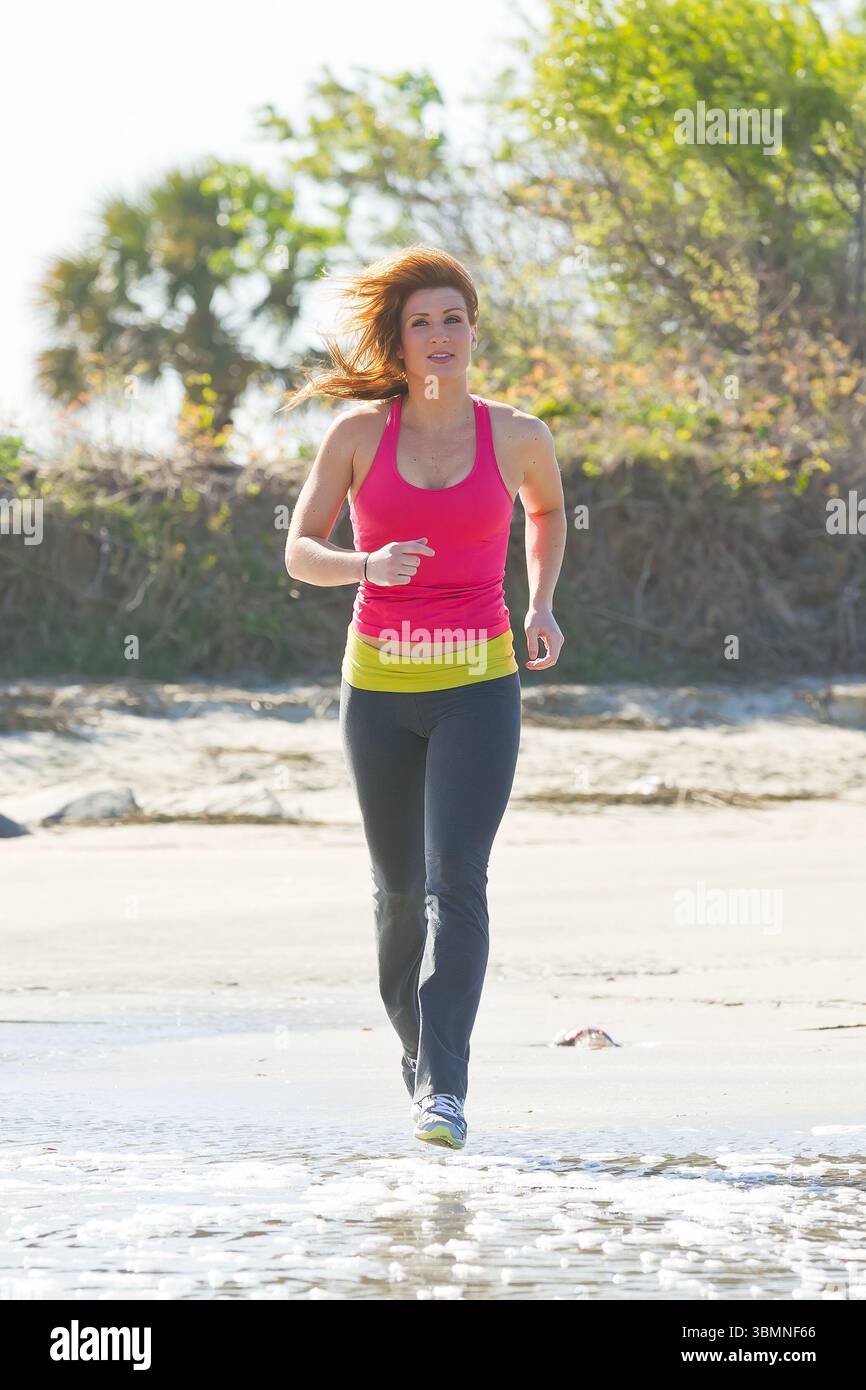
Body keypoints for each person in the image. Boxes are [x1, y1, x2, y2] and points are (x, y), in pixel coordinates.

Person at [283, 245, 566, 1149]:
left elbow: (548, 512)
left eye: (454, 321)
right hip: (379, 692)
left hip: (479, 686)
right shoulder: (359, 435)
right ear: (399, 344)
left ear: (473, 333)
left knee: (458, 881)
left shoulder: (519, 434)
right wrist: (366, 564)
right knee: (400, 894)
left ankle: (445, 1088)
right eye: (422, 323)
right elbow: (299, 547)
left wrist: (543, 602)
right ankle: (420, 1066)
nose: (440, 337)